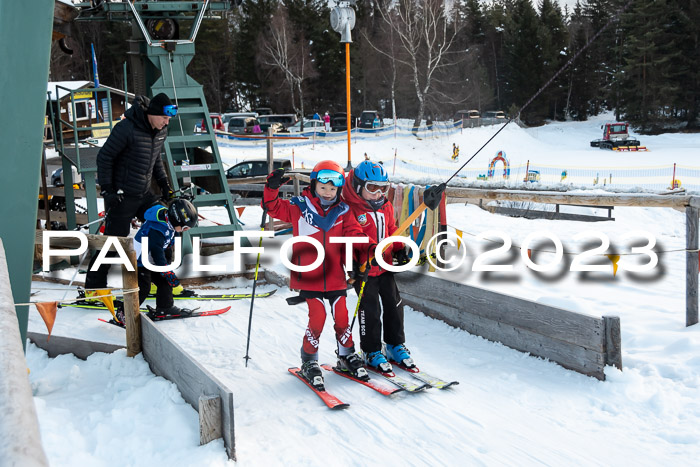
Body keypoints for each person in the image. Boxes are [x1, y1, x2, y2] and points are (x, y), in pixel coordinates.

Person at [263, 160, 368, 388]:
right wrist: (272, 187)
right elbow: (272, 207)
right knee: (318, 317)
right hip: (309, 275)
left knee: (342, 316)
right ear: (313, 185)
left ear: (339, 189)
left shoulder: (343, 211)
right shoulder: (299, 207)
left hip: (335, 276)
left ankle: (346, 354)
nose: (328, 192)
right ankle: (309, 359)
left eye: (333, 188)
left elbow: (355, 235)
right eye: (323, 187)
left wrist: (365, 253)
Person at [84, 93, 176, 295]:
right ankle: (93, 288)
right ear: (152, 114)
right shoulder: (127, 128)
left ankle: (160, 282)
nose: (166, 122)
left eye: (168, 119)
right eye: (164, 118)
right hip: (122, 195)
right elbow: (104, 158)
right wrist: (108, 190)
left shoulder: (161, 131)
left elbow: (155, 160)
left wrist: (164, 185)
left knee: (163, 225)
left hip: (144, 193)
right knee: (113, 243)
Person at [341, 160, 415, 374]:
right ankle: (371, 350)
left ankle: (394, 345)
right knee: (370, 310)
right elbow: (353, 234)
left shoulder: (386, 206)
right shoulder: (350, 209)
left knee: (394, 305)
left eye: (383, 188)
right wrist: (370, 249)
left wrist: (399, 248)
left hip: (385, 266)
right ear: (357, 186)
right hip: (364, 269)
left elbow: (393, 230)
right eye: (372, 188)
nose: (378, 193)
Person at [111, 198, 198, 324]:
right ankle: (123, 312)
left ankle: (165, 307)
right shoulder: (157, 229)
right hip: (138, 261)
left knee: (164, 281)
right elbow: (157, 251)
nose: (184, 231)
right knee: (143, 288)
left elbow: (168, 244)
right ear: (176, 219)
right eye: (184, 228)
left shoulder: (169, 225)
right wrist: (165, 270)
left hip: (150, 259)